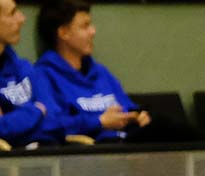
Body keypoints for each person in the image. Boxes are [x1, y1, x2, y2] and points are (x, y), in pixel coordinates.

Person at [33, 0, 147, 142]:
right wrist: (99, 121)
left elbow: (128, 107)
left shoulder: (100, 72)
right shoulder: (43, 75)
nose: (93, 31)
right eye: (85, 26)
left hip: (127, 141)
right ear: (63, 32)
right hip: (92, 149)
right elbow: (50, 125)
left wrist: (139, 116)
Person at [0, 0, 64, 147]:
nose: (22, 19)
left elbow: (56, 121)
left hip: (44, 152)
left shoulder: (24, 67)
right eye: (12, 13)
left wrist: (16, 122)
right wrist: (37, 111)